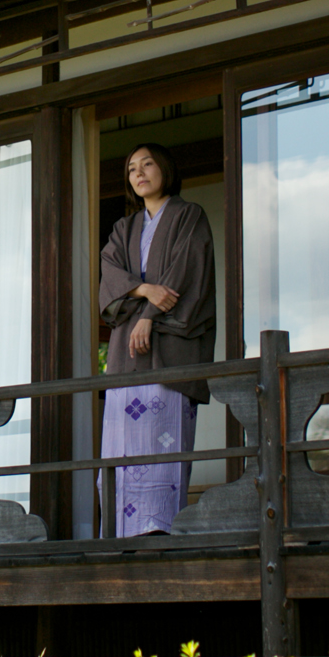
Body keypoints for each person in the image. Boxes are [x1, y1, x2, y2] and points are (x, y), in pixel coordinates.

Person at [98, 142, 216, 536]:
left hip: (170, 346)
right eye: (132, 168)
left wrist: (148, 317)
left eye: (147, 164)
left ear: (164, 168)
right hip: (126, 354)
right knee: (121, 448)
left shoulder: (188, 216)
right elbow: (110, 274)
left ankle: (160, 528)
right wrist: (146, 292)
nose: (139, 172)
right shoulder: (124, 228)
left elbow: (187, 275)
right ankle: (118, 532)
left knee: (162, 446)